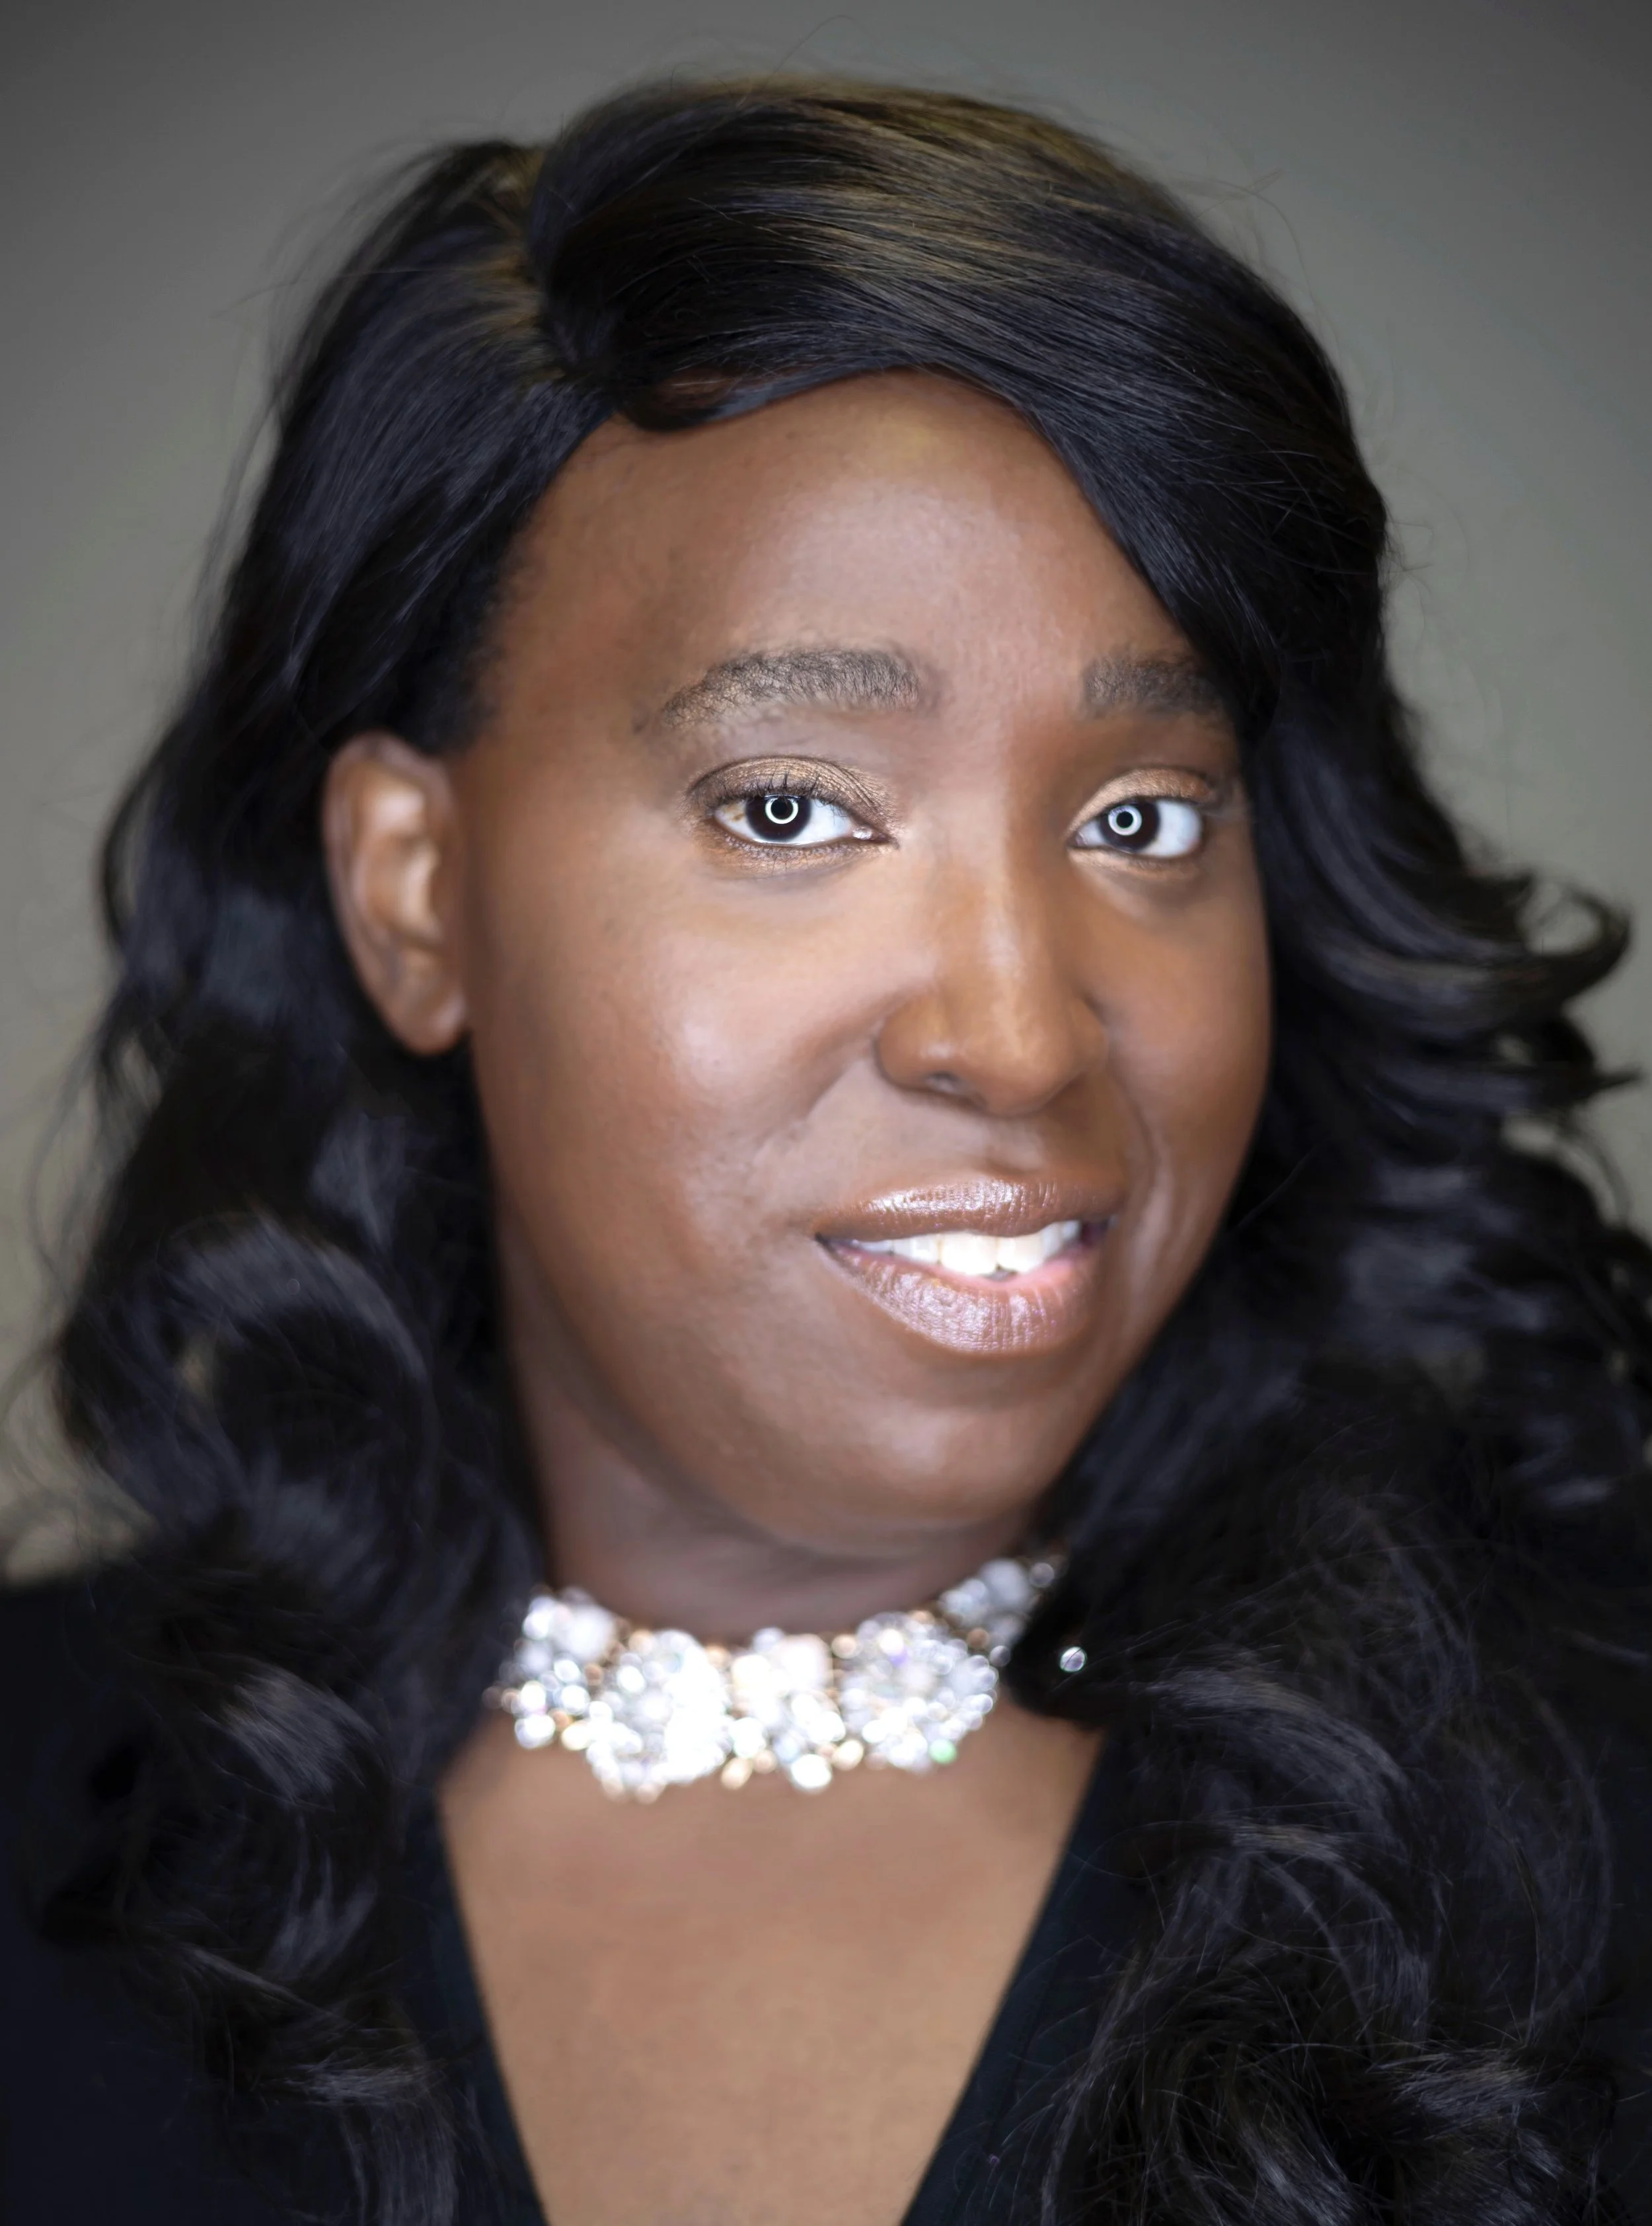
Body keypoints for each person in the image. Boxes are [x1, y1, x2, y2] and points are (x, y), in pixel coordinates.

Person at [3, 75, 1650, 2226]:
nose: (1014, 1037)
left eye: (1140, 817)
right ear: (416, 891)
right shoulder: (39, 1802)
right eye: (789, 809)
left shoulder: (1593, 1792)